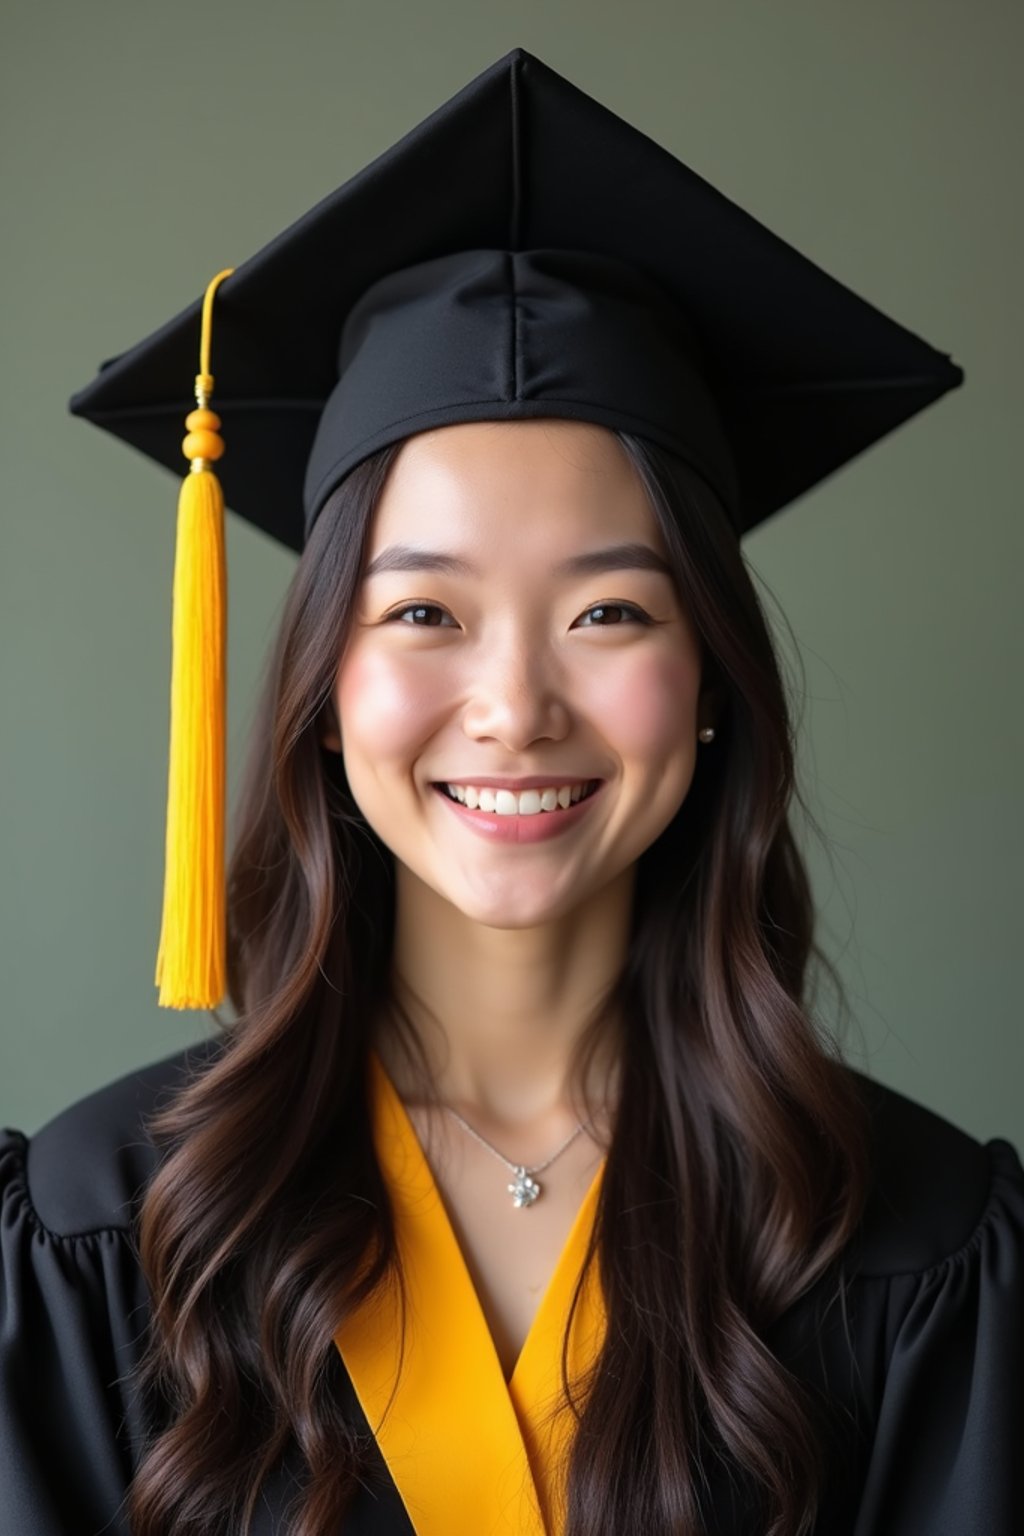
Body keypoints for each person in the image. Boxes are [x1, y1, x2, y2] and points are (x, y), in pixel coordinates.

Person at [2, 45, 1021, 1536]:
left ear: (717, 678)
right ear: (320, 689)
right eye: (423, 613)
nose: (515, 706)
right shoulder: (116, 1230)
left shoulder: (912, 1248)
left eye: (610, 612)